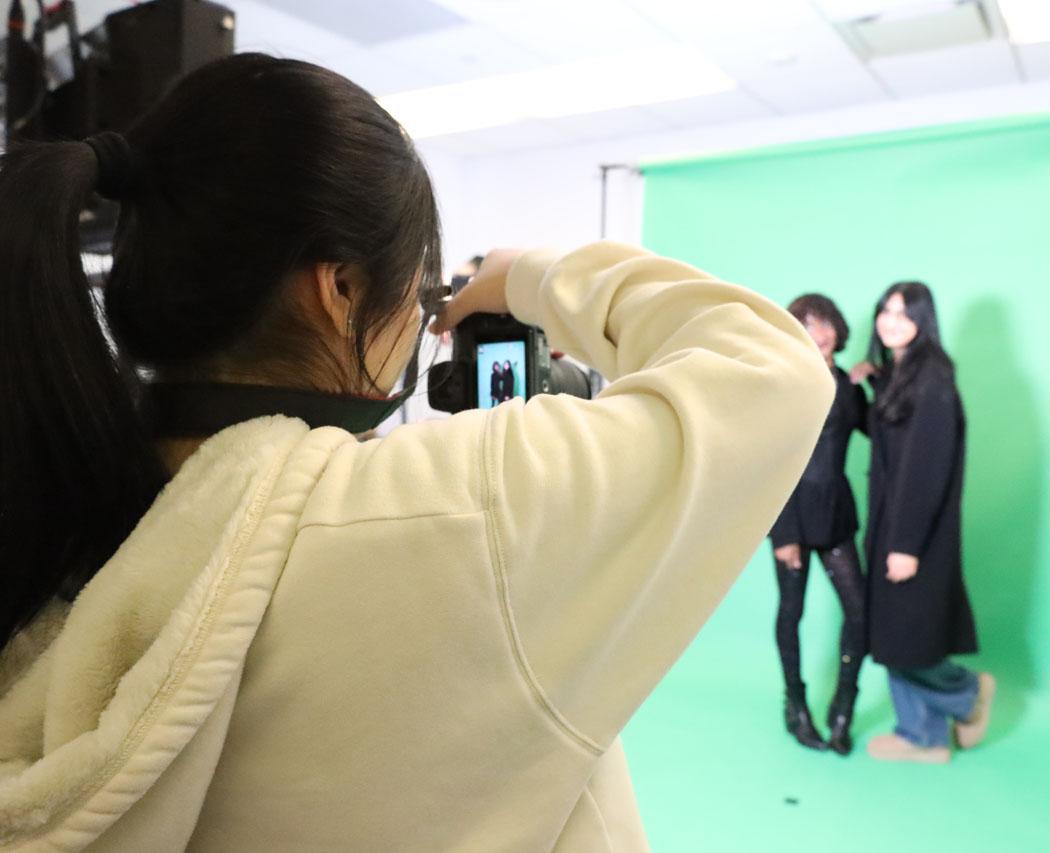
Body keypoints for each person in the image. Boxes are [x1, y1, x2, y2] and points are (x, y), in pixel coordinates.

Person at [0, 54, 834, 850]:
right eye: (419, 286)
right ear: (342, 290)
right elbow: (776, 372)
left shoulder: (63, 500)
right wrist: (535, 276)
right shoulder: (460, 507)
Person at [861, 282, 996, 764]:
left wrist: (906, 545)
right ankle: (924, 736)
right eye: (885, 311)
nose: (891, 320)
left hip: (914, 532)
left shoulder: (933, 376)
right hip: (891, 525)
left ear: (924, 320)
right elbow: (891, 432)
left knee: (907, 642)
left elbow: (926, 466)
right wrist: (870, 380)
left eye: (904, 313)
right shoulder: (903, 371)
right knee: (896, 635)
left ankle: (967, 692)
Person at [769, 294, 873, 756]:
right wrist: (783, 534)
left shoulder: (849, 386)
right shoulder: (786, 383)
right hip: (792, 510)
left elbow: (882, 429)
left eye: (826, 322)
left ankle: (844, 707)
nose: (821, 332)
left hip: (834, 511)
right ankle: (795, 703)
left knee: (860, 611)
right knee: (792, 611)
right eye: (809, 324)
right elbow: (772, 458)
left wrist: (880, 379)